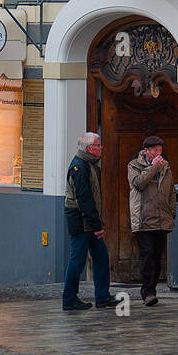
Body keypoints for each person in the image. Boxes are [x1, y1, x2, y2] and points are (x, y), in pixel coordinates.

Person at [62, 131, 115, 311]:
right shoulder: (80, 167)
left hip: (89, 220)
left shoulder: (90, 165)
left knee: (101, 256)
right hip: (81, 221)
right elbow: (84, 199)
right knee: (77, 259)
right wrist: (96, 225)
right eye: (98, 145)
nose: (101, 148)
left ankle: (102, 296)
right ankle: (69, 299)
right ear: (90, 149)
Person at [127, 134, 175, 306]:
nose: (158, 153)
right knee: (146, 257)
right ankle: (147, 292)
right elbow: (138, 183)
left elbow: (171, 191)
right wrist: (153, 168)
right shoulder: (134, 165)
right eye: (155, 150)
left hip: (162, 218)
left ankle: (152, 289)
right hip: (143, 219)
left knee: (156, 257)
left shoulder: (166, 166)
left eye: (160, 150)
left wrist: (172, 212)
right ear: (146, 151)